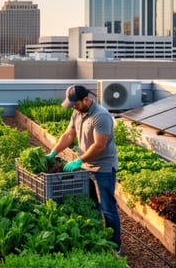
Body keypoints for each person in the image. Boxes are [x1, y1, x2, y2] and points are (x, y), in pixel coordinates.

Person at [46, 84, 122, 253]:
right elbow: (68, 135)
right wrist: (54, 151)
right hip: (86, 166)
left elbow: (99, 145)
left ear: (86, 99)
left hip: (103, 168)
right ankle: (99, 239)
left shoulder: (101, 116)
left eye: (76, 103)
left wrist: (79, 160)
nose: (73, 106)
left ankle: (115, 247)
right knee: (92, 204)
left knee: (108, 207)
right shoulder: (77, 113)